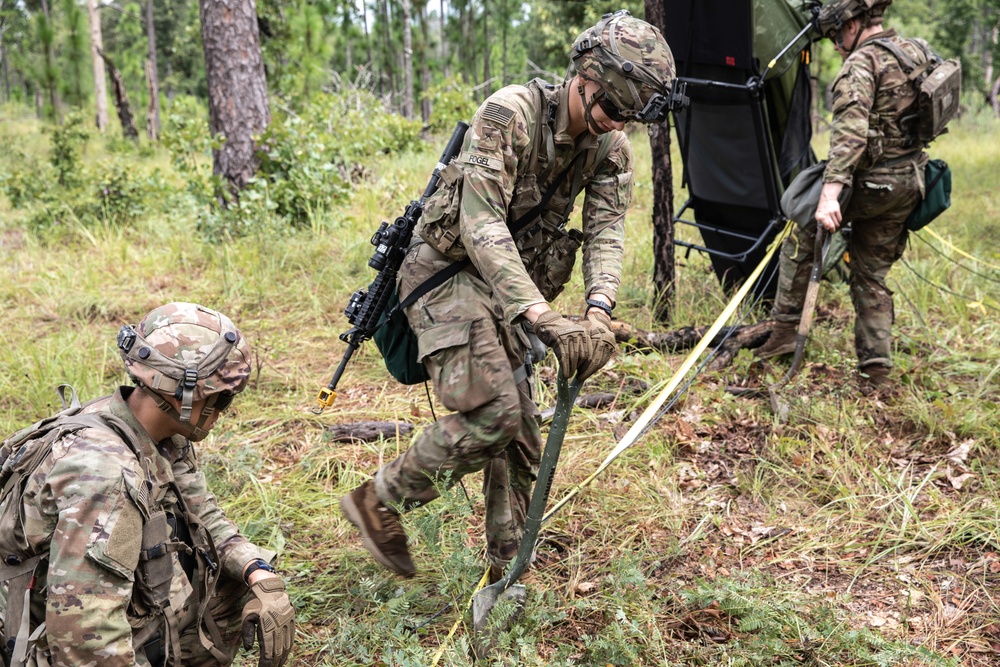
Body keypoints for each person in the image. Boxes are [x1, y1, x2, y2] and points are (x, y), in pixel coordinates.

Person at [340, 11, 676, 581]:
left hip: (510, 290)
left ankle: (507, 570)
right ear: (586, 80)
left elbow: (606, 231)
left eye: (629, 117)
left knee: (520, 432)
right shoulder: (508, 113)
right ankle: (379, 500)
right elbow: (481, 225)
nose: (615, 126)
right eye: (612, 110)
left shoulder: (611, 149)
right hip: (447, 273)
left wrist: (598, 310)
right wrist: (541, 315)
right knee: (493, 412)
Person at [0, 303, 295, 667]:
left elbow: (203, 514)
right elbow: (87, 641)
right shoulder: (105, 476)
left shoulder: (157, 428)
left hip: (94, 610)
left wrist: (257, 571)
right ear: (180, 396)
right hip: (52, 640)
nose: (226, 408)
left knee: (227, 582)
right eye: (223, 397)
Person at [756, 0, 930, 394]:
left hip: (868, 184)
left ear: (854, 23)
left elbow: (849, 137)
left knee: (800, 235)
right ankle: (877, 373)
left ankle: (785, 332)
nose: (835, 44)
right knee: (871, 275)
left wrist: (829, 196)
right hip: (909, 184)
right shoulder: (915, 51)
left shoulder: (861, 65)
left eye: (837, 33)